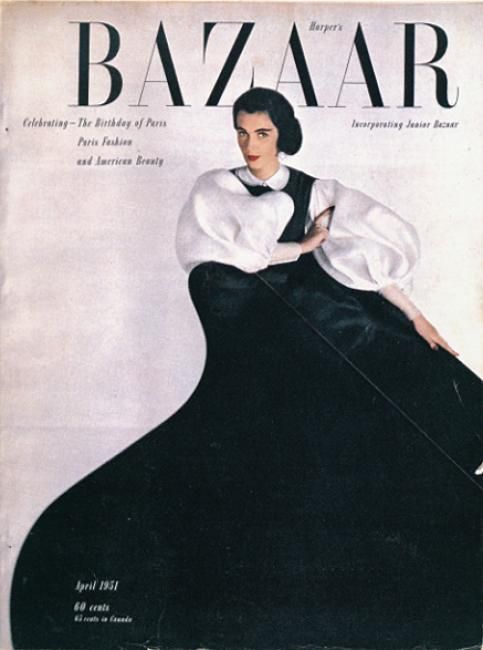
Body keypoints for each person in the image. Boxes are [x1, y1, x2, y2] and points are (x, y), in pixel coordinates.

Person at [10, 88, 482, 650]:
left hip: (313, 343)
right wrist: (303, 245)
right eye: (241, 132)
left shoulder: (317, 190)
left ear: (281, 134)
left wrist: (417, 317)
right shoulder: (215, 188)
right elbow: (228, 257)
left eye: (262, 133)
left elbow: (367, 270)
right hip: (254, 349)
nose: (250, 144)